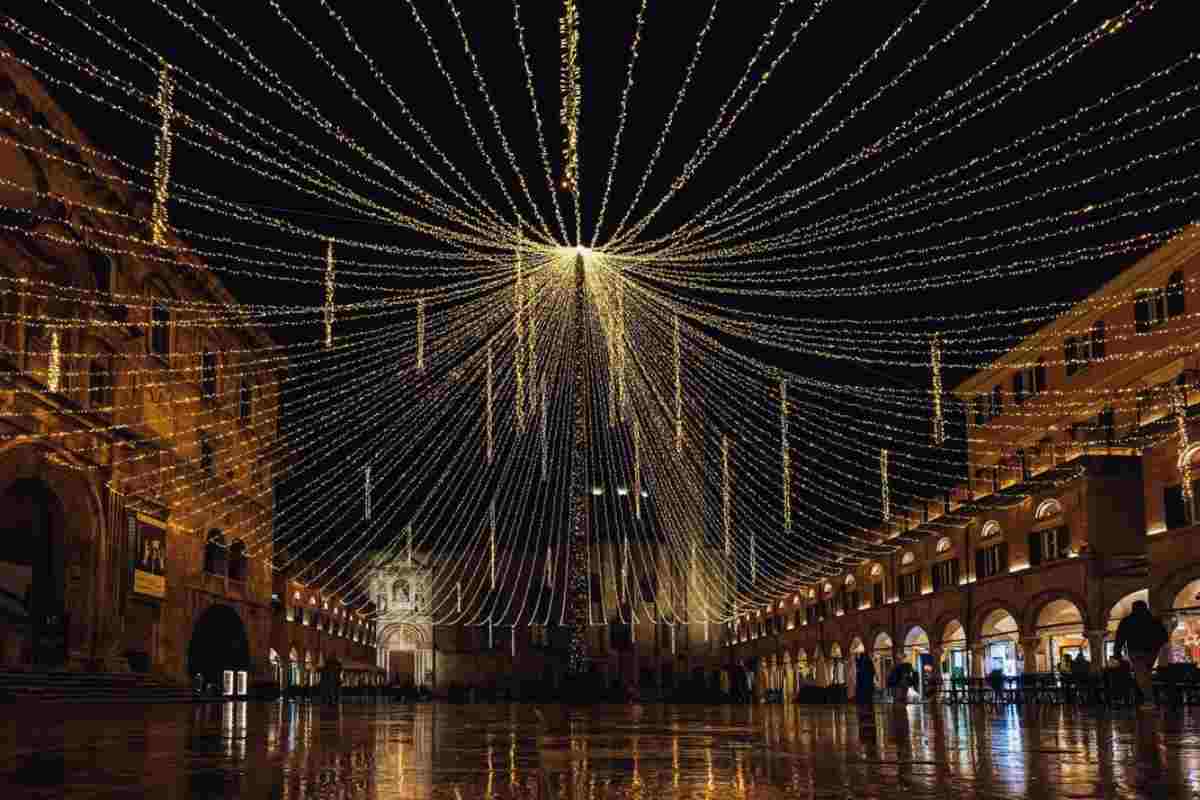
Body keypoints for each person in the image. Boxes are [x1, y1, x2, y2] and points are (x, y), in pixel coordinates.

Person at [1114, 599, 1170, 710]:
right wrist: (1156, 646)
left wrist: (1117, 652)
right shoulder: (1154, 620)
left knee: (1141, 676)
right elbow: (1164, 637)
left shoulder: (1128, 620)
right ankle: (1147, 699)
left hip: (1136, 651)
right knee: (1146, 675)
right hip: (1151, 652)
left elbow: (1120, 638)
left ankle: (1149, 700)